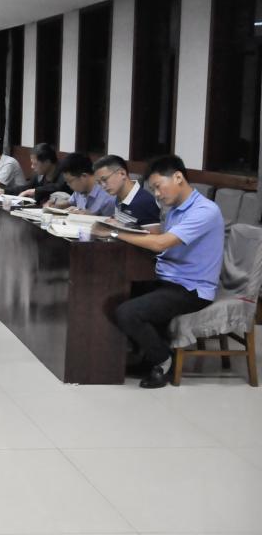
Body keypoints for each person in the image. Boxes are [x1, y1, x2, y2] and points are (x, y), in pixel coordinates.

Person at [91, 155, 223, 388]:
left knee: (128, 312)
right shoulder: (174, 209)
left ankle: (163, 360)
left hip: (190, 288)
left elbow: (161, 243)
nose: (158, 194)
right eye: (153, 190)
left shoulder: (205, 210)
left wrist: (113, 233)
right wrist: (123, 228)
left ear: (178, 177)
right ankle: (139, 355)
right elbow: (160, 241)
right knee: (113, 293)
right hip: (165, 276)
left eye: (158, 187)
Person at [92, 154, 160, 226]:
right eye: (99, 182)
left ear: (122, 173)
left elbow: (154, 233)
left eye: (105, 179)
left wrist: (120, 228)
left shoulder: (145, 202)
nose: (103, 186)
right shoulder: (119, 195)